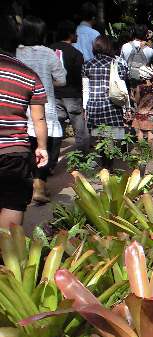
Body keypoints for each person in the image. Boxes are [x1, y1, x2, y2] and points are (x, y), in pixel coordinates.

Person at [0, 11, 48, 229]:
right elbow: (39, 119)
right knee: (12, 204)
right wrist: (42, 147)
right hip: (14, 153)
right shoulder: (28, 74)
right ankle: (6, 250)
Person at [16, 16, 66, 204]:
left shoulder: (14, 52)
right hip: (44, 107)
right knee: (44, 148)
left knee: (24, 149)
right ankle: (39, 185)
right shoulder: (48, 53)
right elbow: (62, 80)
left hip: (20, 108)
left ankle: (27, 185)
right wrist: (47, 83)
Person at [82, 35, 129, 169]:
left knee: (100, 138)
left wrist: (85, 108)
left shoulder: (87, 65)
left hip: (94, 106)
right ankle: (109, 167)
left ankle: (104, 166)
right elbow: (122, 88)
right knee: (111, 138)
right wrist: (126, 108)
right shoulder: (118, 64)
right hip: (112, 106)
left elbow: (86, 90)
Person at [50, 20, 90, 153]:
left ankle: (51, 160)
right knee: (80, 131)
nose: (77, 36)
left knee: (56, 130)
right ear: (70, 34)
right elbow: (80, 78)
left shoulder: (48, 50)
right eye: (75, 33)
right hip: (72, 96)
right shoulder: (76, 54)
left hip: (54, 95)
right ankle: (83, 158)